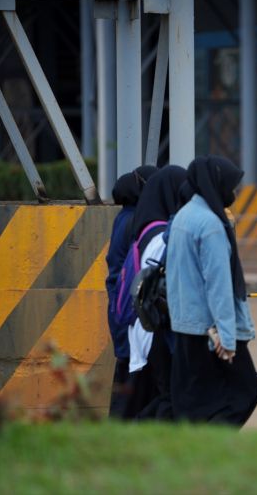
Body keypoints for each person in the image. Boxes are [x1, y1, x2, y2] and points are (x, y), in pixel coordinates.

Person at [166, 155, 257, 426]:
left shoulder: (183, 216)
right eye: (231, 187)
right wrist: (227, 339)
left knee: (197, 401)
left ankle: (196, 453)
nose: (233, 194)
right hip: (211, 332)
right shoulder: (210, 225)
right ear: (216, 184)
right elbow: (219, 285)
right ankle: (211, 446)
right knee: (245, 393)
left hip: (186, 327)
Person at [125, 165, 188, 420]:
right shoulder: (161, 234)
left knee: (149, 398)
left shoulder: (143, 227)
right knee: (166, 398)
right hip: (155, 330)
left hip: (142, 326)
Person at [105, 165, 157, 418]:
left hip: (120, 309)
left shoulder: (124, 217)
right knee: (130, 383)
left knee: (127, 378)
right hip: (131, 313)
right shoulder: (136, 221)